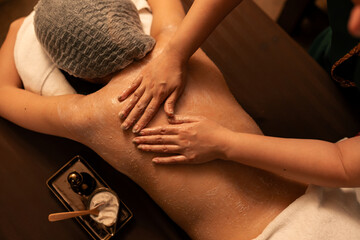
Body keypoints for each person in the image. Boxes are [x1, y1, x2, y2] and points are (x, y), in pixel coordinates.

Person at [1, 0, 360, 240]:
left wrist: (19, 29)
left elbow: (4, 95)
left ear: (71, 70)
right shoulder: (179, 45)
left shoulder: (86, 115)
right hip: (327, 203)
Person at [128, 0, 360, 188]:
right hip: (341, 59)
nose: (355, 24)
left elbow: (343, 163)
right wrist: (175, 53)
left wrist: (225, 144)